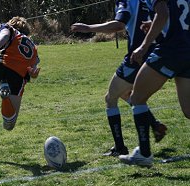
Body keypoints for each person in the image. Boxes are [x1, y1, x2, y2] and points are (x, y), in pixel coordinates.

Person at [71, 0, 167, 157]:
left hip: (137, 57)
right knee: (126, 93)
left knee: (110, 98)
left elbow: (119, 25)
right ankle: (154, 125)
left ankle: (120, 147)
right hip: (157, 54)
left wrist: (88, 28)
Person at [119, 0, 190, 167]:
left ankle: (144, 153)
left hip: (170, 50)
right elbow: (177, 16)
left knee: (137, 97)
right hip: (187, 49)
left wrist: (143, 46)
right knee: (188, 110)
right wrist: (154, 24)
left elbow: (163, 13)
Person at [0, 16, 40, 161]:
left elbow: (4, 35)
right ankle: (5, 97)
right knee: (9, 124)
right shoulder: (33, 46)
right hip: (16, 75)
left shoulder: (8, 28)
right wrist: (33, 74)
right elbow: (33, 70)